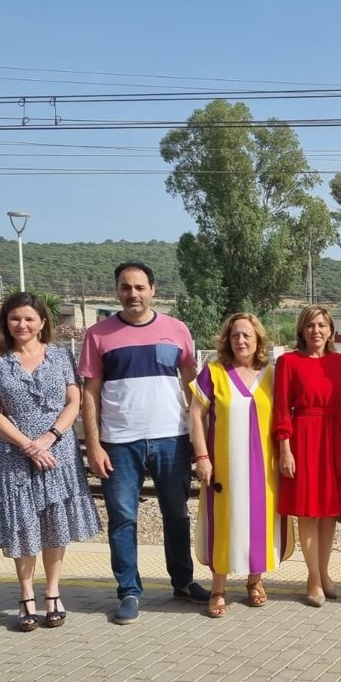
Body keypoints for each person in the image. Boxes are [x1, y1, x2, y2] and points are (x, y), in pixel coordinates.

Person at [79, 262, 205, 625]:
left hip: (171, 438)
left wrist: (200, 436)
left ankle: (182, 581)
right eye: (125, 287)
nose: (132, 294)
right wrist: (94, 446)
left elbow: (192, 386)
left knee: (177, 515)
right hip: (119, 442)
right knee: (123, 519)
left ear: (152, 290)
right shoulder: (97, 335)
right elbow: (90, 394)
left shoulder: (177, 330)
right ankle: (129, 591)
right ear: (117, 291)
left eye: (139, 287)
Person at [0, 293, 101, 631]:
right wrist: (28, 445)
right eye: (15, 318)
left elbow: (73, 401)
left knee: (54, 522)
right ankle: (26, 595)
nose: (22, 325)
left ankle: (53, 593)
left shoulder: (60, 355)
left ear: (42, 322)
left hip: (58, 450)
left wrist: (50, 437)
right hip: (14, 454)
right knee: (23, 523)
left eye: (29, 318)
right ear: (6, 323)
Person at [189, 313, 295, 618]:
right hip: (226, 465)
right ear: (227, 339)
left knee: (261, 522)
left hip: (265, 467)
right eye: (235, 335)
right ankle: (218, 588)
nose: (241, 340)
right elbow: (195, 414)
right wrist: (202, 457)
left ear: (258, 339)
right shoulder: (213, 372)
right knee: (224, 522)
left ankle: (254, 580)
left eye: (247, 335)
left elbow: (284, 417)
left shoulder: (272, 375)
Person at [272, 305, 341, 607]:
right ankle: (312, 578)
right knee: (308, 510)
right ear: (302, 330)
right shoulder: (288, 362)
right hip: (304, 437)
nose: (316, 331)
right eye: (310, 325)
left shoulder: (339, 362)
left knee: (330, 511)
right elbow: (282, 409)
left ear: (330, 329)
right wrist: (285, 449)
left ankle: (324, 572)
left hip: (335, 436)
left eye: (321, 325)